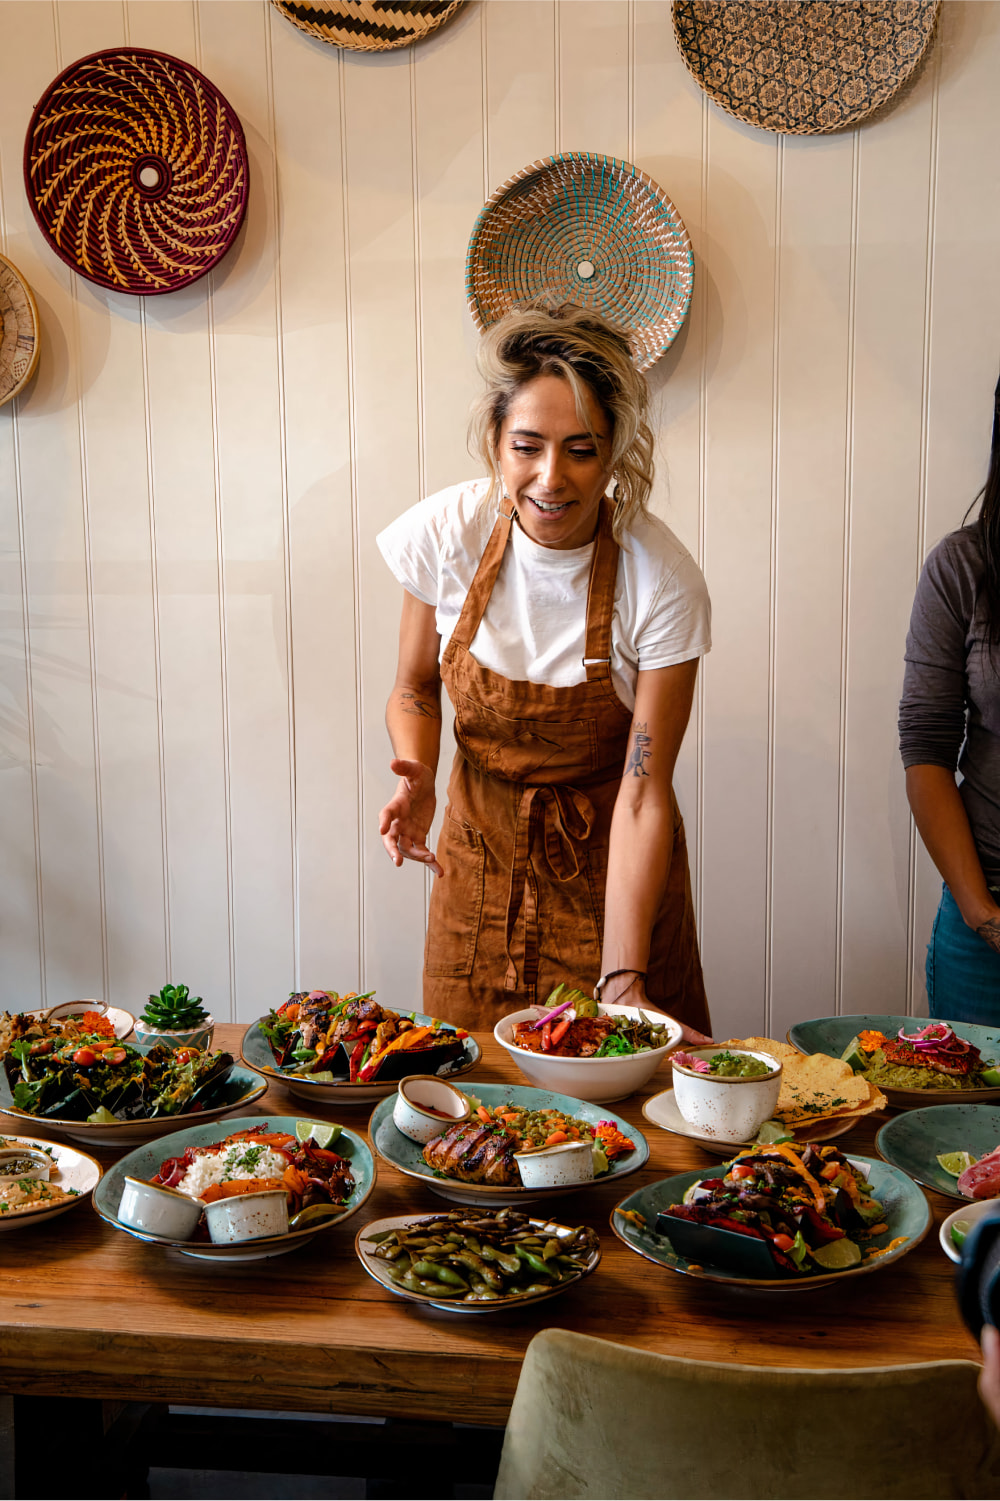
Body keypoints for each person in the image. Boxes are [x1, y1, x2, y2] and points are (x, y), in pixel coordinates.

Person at [375, 300, 712, 1038]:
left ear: (617, 449)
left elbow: (643, 790)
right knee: (466, 1110)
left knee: (626, 1119)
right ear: (495, 439)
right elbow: (415, 686)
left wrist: (624, 975)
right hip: (477, 870)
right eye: (527, 445)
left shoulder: (660, 579)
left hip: (610, 882)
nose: (551, 478)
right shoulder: (445, 535)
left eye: (582, 449)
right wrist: (419, 772)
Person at [900, 370, 1000, 1023]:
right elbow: (927, 746)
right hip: (986, 932)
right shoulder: (963, 567)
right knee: (962, 1128)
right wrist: (983, 914)